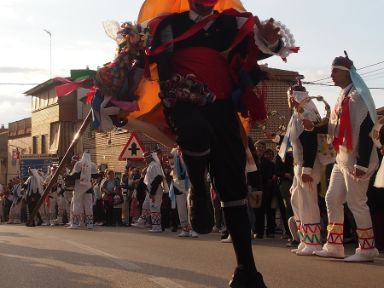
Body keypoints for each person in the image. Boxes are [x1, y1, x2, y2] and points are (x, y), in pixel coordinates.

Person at [148, 0, 296, 286]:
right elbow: (146, 63)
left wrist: (270, 39)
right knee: (195, 130)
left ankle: (247, 271)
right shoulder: (168, 25)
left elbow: (263, 51)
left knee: (233, 185)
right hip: (183, 100)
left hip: (223, 105)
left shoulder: (232, 24)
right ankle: (200, 190)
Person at [309, 53, 380, 261]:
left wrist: (363, 163)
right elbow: (334, 129)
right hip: (342, 158)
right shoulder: (343, 97)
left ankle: (367, 249)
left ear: (347, 72)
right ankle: (334, 245)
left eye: (334, 71)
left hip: (358, 159)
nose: (330, 75)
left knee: (357, 201)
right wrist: (313, 128)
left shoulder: (359, 96)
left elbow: (368, 129)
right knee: (332, 198)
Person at [278, 81, 328, 256]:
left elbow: (309, 142)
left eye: (289, 97)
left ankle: (313, 243)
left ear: (294, 96)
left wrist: (306, 169)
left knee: (308, 202)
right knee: (296, 200)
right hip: (299, 165)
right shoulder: (299, 113)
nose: (288, 100)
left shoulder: (304, 113)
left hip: (308, 165)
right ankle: (305, 239)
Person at [66, 152, 98, 229]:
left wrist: (67, 176)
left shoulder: (78, 164)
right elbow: (96, 175)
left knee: (77, 205)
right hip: (88, 188)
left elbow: (74, 175)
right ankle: (89, 224)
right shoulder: (92, 164)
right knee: (88, 206)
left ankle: (75, 224)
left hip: (79, 188)